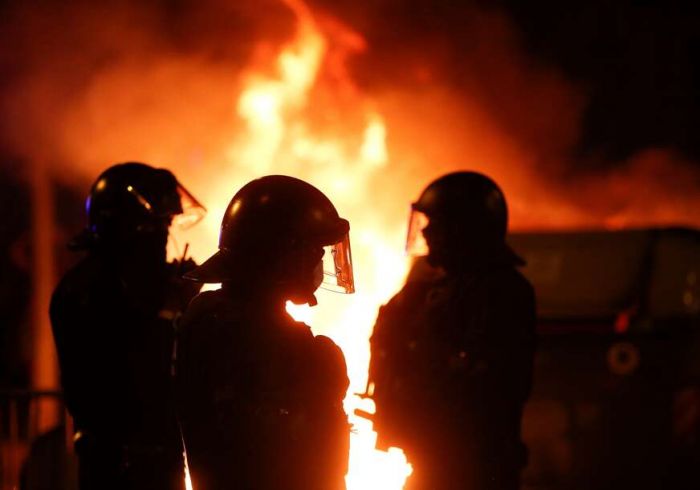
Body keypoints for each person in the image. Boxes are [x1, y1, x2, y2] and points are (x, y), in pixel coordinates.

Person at [176, 175, 354, 490]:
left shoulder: (206, 316)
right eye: (314, 251)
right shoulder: (268, 340)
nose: (320, 262)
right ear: (283, 255)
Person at [368, 171, 536, 490]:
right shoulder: (426, 291)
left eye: (436, 223)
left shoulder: (503, 294)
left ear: (464, 230)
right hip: (427, 460)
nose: (426, 232)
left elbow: (486, 385)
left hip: (470, 468)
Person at [50, 162, 206, 490]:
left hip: (148, 457)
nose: (166, 236)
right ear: (132, 227)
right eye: (161, 224)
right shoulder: (95, 290)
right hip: (124, 464)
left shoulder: (109, 284)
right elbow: (132, 367)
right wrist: (172, 306)